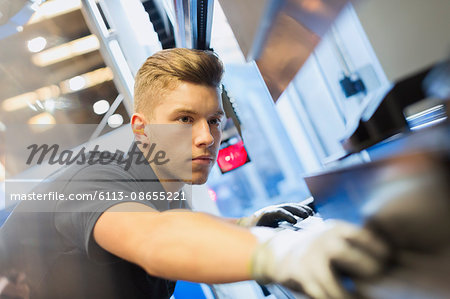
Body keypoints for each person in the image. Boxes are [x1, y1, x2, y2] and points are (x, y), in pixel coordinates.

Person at [0, 48, 389, 299]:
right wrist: (279, 253)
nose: (206, 137)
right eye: (184, 119)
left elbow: (169, 225)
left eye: (214, 120)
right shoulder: (94, 182)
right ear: (141, 128)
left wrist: (245, 225)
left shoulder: (164, 180)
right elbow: (153, 239)